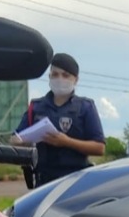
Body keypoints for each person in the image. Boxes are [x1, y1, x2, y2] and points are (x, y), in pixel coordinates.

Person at [11, 52, 105, 187]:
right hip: (43, 181)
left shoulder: (85, 107)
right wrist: (22, 141)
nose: (59, 79)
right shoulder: (36, 107)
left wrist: (67, 142)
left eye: (65, 75)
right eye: (55, 75)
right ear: (49, 77)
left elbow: (99, 148)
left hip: (75, 181)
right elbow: (15, 139)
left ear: (76, 79)